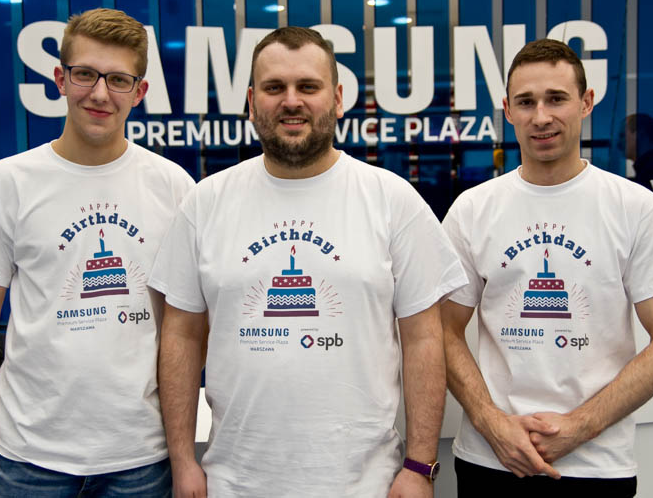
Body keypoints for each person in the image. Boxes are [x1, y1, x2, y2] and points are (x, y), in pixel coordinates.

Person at [148, 26, 468, 497]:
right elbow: (181, 335)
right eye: (275, 87)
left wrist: (420, 467)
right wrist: (182, 461)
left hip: (366, 486)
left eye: (308, 86)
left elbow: (423, 339)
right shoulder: (205, 203)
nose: (291, 101)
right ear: (252, 101)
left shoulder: (392, 200)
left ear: (337, 99)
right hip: (234, 483)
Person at [0, 8, 194, 497]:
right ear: (61, 79)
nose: (100, 93)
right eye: (85, 74)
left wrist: (183, 455)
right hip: (27, 456)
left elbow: (183, 329)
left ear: (139, 92)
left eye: (118, 80)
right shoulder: (10, 181)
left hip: (140, 458)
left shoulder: (174, 188)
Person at [441, 39, 653, 497]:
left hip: (597, 466)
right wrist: (491, 421)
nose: (541, 116)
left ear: (586, 103)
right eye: (526, 102)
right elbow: (442, 330)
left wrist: (581, 426)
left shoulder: (634, 208)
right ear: (507, 110)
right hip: (491, 458)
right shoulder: (473, 210)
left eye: (556, 99)